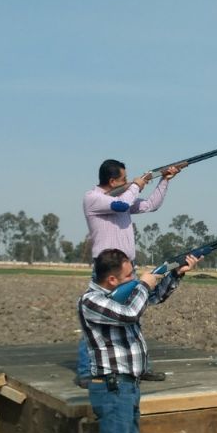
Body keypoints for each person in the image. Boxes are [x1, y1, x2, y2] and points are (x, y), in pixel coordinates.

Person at [78, 246, 200, 433]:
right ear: (111, 281)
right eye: (129, 274)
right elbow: (131, 311)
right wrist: (145, 283)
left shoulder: (117, 294)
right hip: (112, 387)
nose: (135, 277)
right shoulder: (92, 301)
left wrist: (174, 276)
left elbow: (150, 299)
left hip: (127, 386)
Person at [79, 158, 183, 384]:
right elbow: (123, 206)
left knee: (133, 316)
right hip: (107, 268)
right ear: (112, 180)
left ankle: (139, 367)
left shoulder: (121, 196)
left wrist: (164, 181)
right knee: (98, 319)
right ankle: (87, 371)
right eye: (124, 179)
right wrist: (136, 185)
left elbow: (149, 206)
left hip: (127, 268)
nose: (129, 182)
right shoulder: (94, 198)